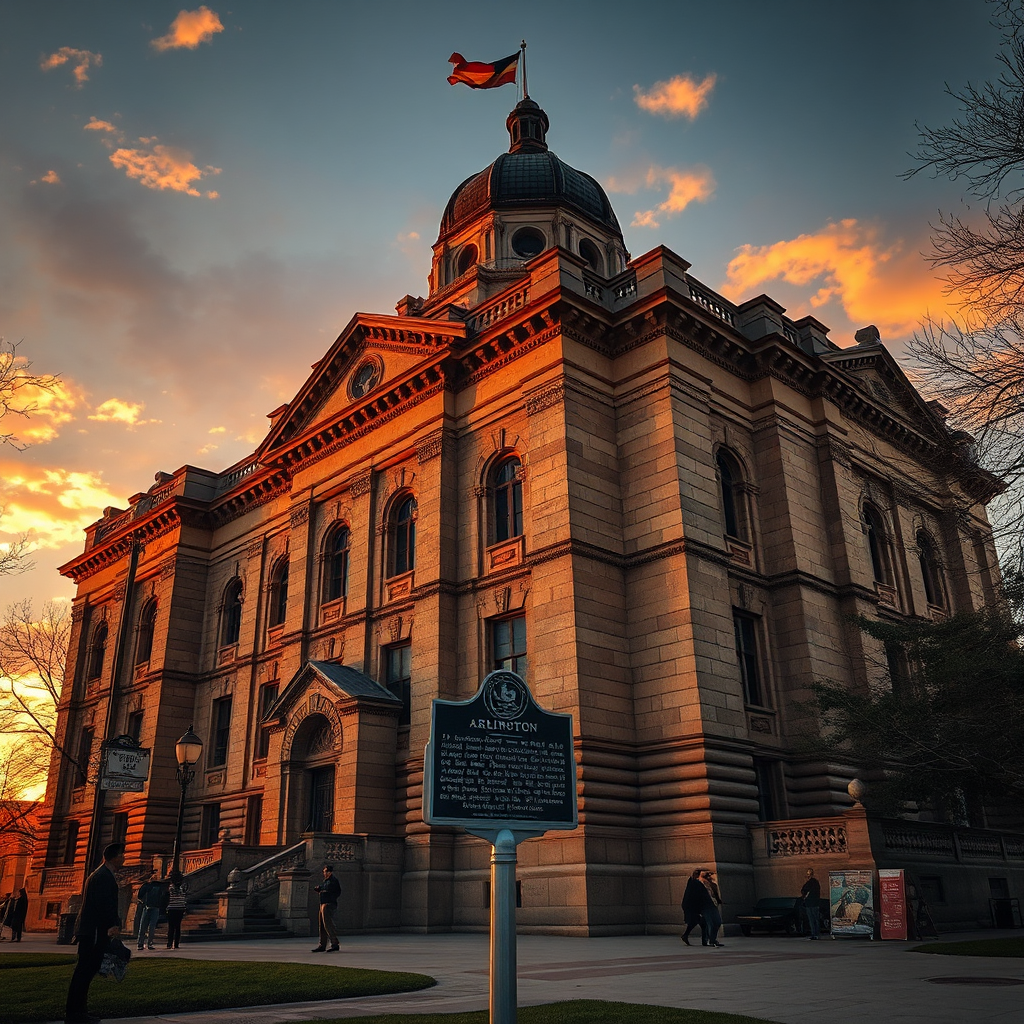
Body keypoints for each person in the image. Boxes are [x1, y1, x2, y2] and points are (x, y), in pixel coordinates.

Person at [65, 841, 124, 1024]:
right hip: (95, 931)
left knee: (85, 971)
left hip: (92, 930)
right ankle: (76, 1014)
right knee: (84, 971)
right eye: (121, 855)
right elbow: (104, 905)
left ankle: (78, 1011)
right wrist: (112, 925)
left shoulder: (99, 875)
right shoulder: (103, 877)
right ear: (113, 857)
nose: (124, 858)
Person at [311, 863, 341, 952]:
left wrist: (321, 889)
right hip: (323, 903)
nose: (324, 873)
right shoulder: (327, 880)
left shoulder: (333, 881)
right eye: (324, 872)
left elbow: (330, 889)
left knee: (328, 924)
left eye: (325, 872)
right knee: (322, 925)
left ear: (329, 872)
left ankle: (334, 943)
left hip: (328, 904)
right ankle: (322, 945)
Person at [136, 872, 165, 950]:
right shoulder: (160, 886)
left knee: (143, 926)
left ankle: (140, 943)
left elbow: (140, 896)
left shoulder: (146, 886)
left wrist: (142, 902)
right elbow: (163, 897)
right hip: (155, 908)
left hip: (147, 907)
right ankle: (150, 944)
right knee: (151, 927)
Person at [680, 868, 709, 946]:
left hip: (691, 907)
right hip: (694, 908)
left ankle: (686, 935)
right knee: (703, 923)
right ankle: (704, 941)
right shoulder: (696, 883)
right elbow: (701, 896)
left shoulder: (692, 882)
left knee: (695, 922)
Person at [164, 871, 188, 949]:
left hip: (172, 908)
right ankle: (176, 943)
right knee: (177, 927)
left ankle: (169, 943)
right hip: (180, 908)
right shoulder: (183, 887)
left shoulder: (171, 887)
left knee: (171, 927)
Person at [701, 870, 725, 947]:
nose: (710, 877)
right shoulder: (700, 885)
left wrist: (719, 901)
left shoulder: (713, 885)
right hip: (705, 906)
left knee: (717, 922)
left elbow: (715, 895)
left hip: (713, 905)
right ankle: (709, 940)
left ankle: (712, 939)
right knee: (709, 923)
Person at [801, 868, 821, 939]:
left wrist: (804, 897)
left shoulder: (809, 883)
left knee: (812, 920)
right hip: (815, 903)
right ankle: (817, 934)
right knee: (816, 919)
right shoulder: (816, 883)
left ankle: (814, 934)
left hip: (810, 904)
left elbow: (803, 891)